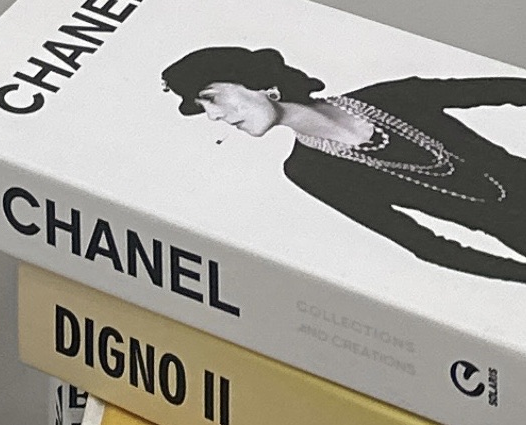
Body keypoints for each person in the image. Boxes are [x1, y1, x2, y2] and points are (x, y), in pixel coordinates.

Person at [163, 44, 526, 279]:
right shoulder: (309, 172)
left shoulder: (391, 96)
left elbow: (510, 90)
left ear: (253, 81)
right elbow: (426, 246)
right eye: (203, 109)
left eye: (211, 98)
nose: (213, 116)